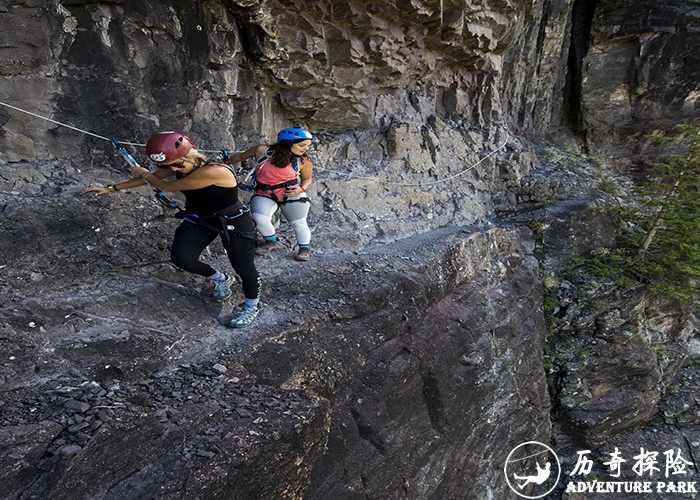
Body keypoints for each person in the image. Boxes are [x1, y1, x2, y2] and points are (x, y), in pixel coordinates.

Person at [80, 131, 261, 328]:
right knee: (182, 258)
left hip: (232, 220)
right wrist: (111, 188)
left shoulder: (213, 171)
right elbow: (151, 179)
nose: (174, 169)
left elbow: (167, 187)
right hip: (200, 218)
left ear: (189, 156)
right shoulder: (180, 164)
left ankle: (251, 307)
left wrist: (145, 173)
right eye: (168, 166)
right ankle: (222, 279)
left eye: (176, 165)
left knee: (244, 267)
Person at [224, 127, 314, 261]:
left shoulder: (303, 161)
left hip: (291, 193)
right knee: (259, 218)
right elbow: (241, 157)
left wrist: (301, 190)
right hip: (265, 193)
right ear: (287, 143)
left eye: (308, 145)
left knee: (299, 223)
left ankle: (304, 249)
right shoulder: (262, 151)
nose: (306, 148)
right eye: (302, 145)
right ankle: (271, 241)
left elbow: (307, 179)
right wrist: (223, 164)